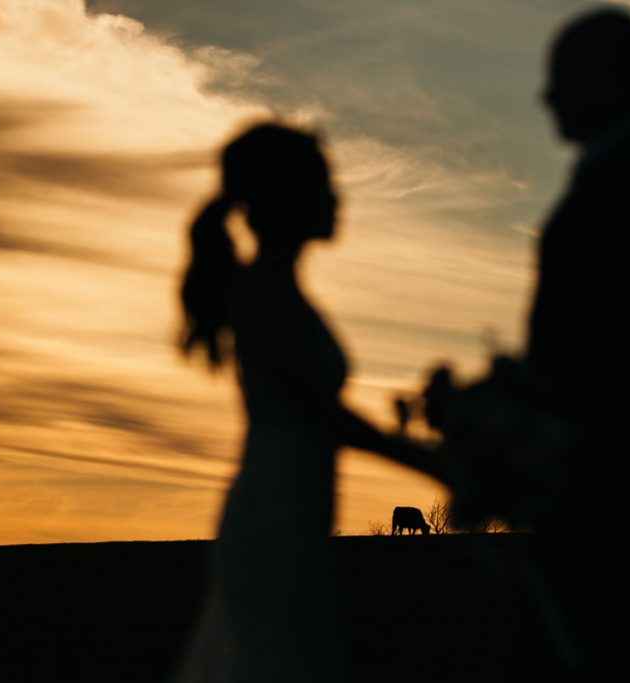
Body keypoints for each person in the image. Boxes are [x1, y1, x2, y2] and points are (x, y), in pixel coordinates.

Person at [426, 9, 630, 681]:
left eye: (560, 79)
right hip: (588, 477)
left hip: (591, 475)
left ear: (604, 82)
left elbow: (623, 350)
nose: (545, 96)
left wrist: (506, 414)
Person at [175, 123, 443, 683]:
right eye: (324, 184)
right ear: (288, 197)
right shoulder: (266, 295)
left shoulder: (278, 289)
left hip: (294, 502)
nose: (336, 197)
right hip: (276, 509)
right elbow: (320, 414)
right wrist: (433, 462)